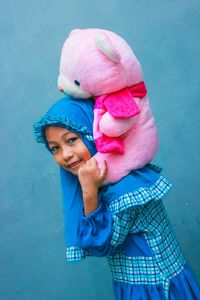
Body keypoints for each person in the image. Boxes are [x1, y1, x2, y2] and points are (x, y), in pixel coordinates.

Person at [34, 96, 200, 300]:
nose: (66, 154)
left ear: (92, 133)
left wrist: (88, 191)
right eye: (55, 148)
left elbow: (101, 244)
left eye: (71, 140)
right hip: (134, 289)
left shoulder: (128, 187)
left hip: (157, 290)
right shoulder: (107, 185)